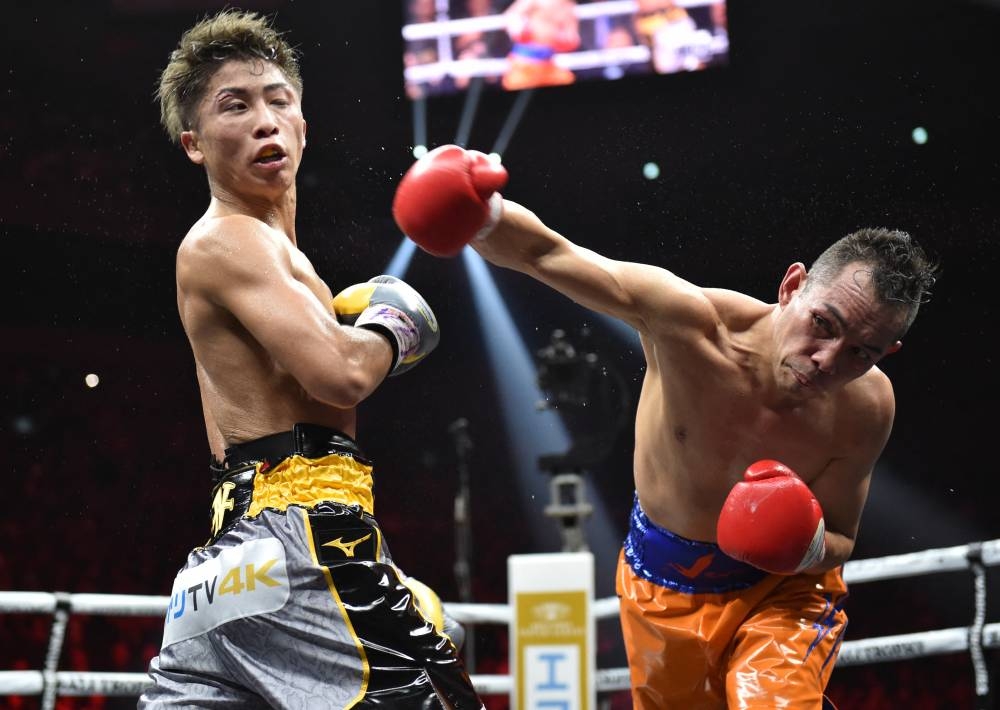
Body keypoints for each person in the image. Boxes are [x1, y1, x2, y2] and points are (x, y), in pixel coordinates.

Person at [391, 144, 938, 708]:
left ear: (887, 353)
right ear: (792, 286)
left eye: (861, 353)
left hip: (780, 594)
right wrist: (484, 217)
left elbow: (840, 538)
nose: (828, 359)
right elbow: (548, 254)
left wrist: (799, 545)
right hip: (662, 587)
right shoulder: (690, 325)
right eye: (824, 324)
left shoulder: (867, 405)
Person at [142, 11, 484, 709]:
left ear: (304, 125)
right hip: (302, 536)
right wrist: (397, 321)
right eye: (233, 106)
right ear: (194, 144)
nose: (265, 119)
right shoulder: (227, 241)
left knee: (437, 633)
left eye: (278, 100)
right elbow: (342, 372)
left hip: (233, 557)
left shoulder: (283, 262)